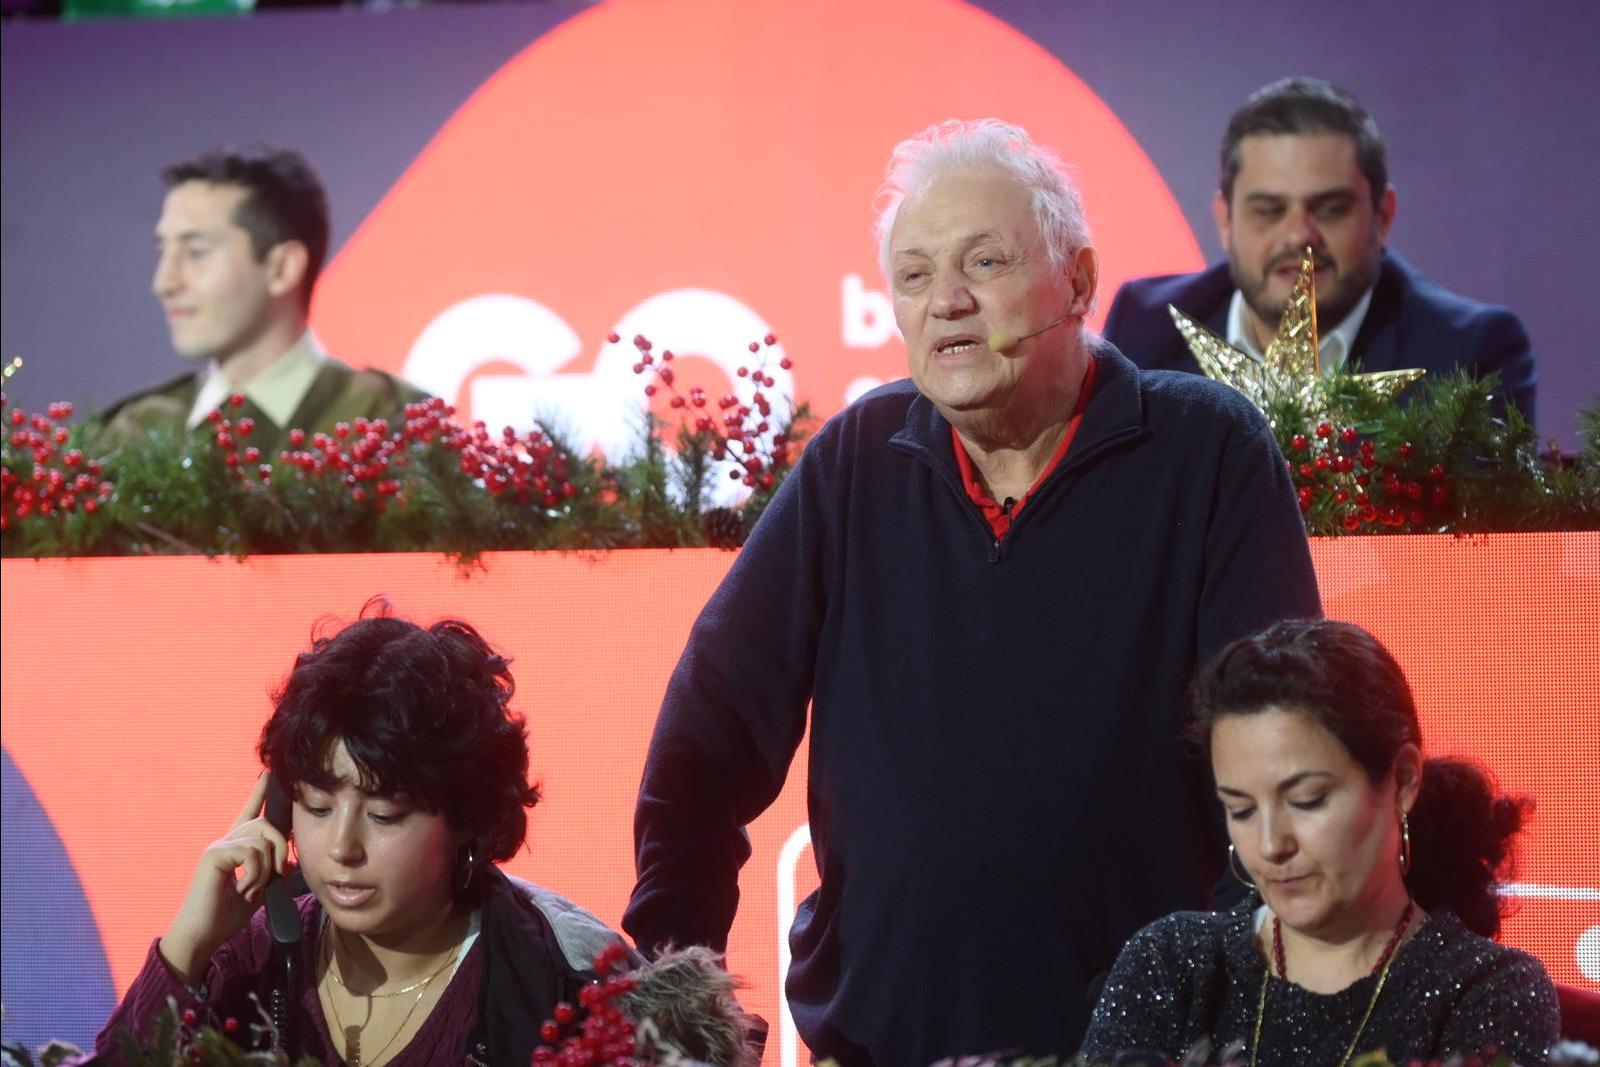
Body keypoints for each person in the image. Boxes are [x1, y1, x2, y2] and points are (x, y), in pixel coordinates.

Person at [623, 118, 1322, 1064]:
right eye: (913, 276)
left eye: (984, 262)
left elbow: (1285, 758)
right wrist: (673, 996)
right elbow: (705, 742)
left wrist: (1254, 1020)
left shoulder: (1206, 453)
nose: (945, 301)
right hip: (877, 1045)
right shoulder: (854, 466)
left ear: (1076, 279)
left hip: (1139, 1051)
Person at [96, 603, 629, 1066]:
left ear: (468, 816)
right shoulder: (249, 958)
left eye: (384, 816)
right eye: (318, 806)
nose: (340, 849)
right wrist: (187, 947)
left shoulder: (565, 981)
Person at [1080, 618, 1560, 1065]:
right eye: (1241, 809)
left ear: (1403, 781)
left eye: (1307, 800)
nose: (1270, 845)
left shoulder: (1489, 992)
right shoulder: (1173, 964)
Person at [1102, 77, 1537, 424]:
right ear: (1225, 220)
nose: (1298, 235)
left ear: (1382, 217)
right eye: (1269, 210)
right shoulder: (1145, 328)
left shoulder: (1469, 351)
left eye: (1329, 209)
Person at [92, 146, 426, 457]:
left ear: (282, 268)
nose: (164, 283)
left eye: (197, 253)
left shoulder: (391, 426)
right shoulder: (131, 433)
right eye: (162, 252)